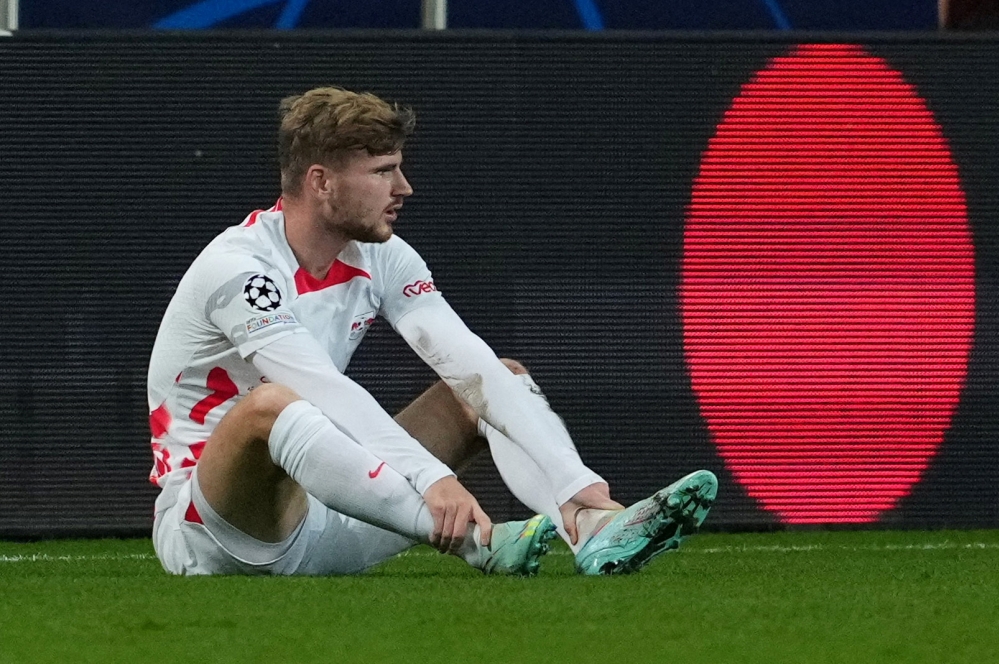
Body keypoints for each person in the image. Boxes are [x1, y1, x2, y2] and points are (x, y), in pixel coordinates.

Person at [147, 86, 718, 577]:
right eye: (382, 171)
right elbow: (323, 388)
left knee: (494, 381)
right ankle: (477, 543)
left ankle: (592, 528)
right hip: (212, 533)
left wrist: (575, 480)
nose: (404, 187)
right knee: (272, 404)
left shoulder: (384, 255)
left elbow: (466, 361)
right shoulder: (240, 269)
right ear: (321, 182)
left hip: (332, 513)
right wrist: (430, 476)